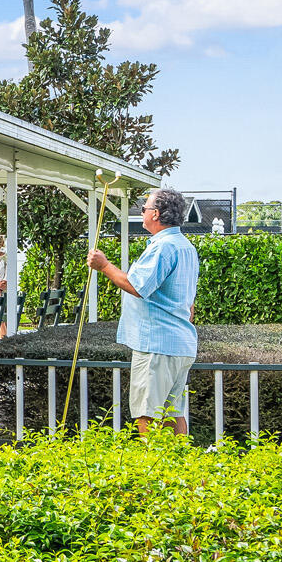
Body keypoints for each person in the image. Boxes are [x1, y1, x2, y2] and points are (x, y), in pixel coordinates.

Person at [89, 187, 200, 437]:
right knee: (173, 413)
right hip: (179, 343)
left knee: (147, 414)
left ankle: (152, 472)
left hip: (156, 345)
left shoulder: (163, 247)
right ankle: (183, 471)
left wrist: (104, 266)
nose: (142, 213)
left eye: (145, 208)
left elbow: (137, 286)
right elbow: (189, 305)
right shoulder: (185, 246)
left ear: (157, 214)